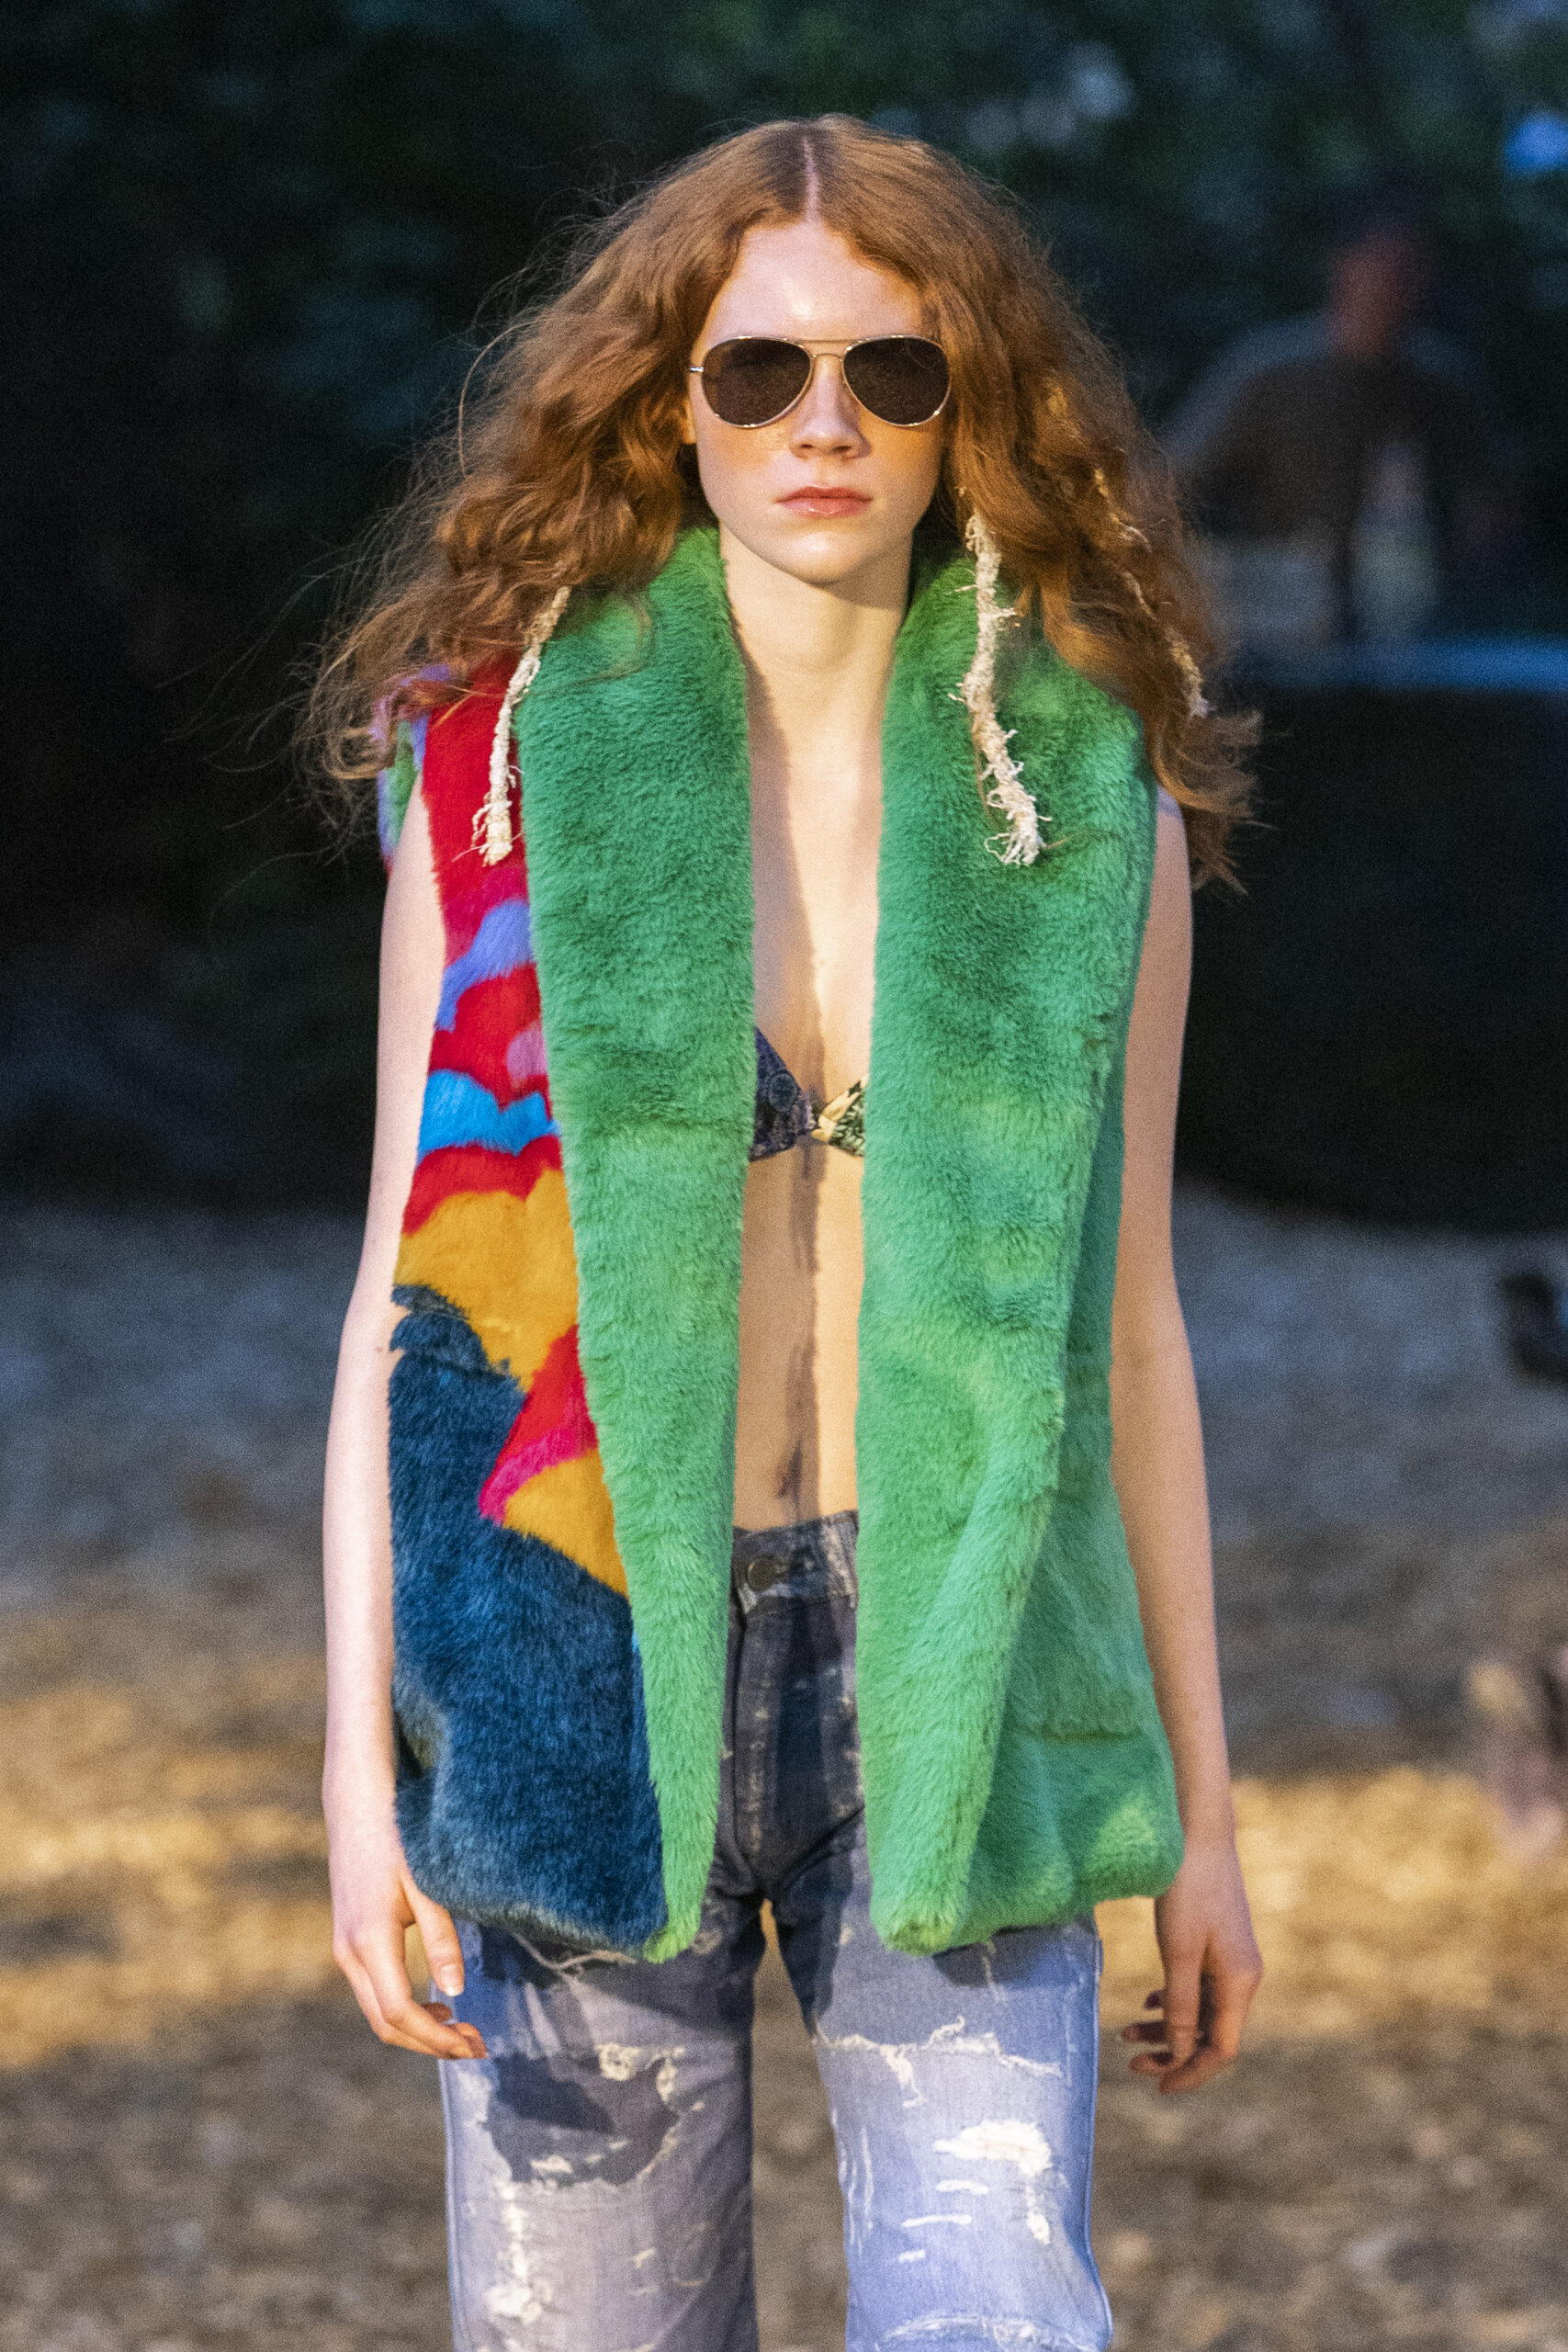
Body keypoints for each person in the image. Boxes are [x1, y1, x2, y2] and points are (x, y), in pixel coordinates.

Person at [311, 114, 1262, 2352]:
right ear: (669, 402)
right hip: (569, 1660)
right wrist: (357, 1777)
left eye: (887, 371)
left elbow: (1130, 1330)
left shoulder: (1082, 797)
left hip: (954, 1660)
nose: (821, 423)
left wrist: (1201, 1817)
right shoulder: (498, 779)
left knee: (996, 2319)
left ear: (965, 409)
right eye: (757, 370)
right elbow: (401, 1306)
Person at [1165, 196, 1506, 651]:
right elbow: (1161, 486)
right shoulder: (1266, 371)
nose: (1395, 282)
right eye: (1382, 263)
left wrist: (1466, 589)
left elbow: (1486, 513)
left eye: (1413, 268)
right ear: (1343, 266)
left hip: (1410, 623)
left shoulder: (1444, 383)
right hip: (1282, 620)